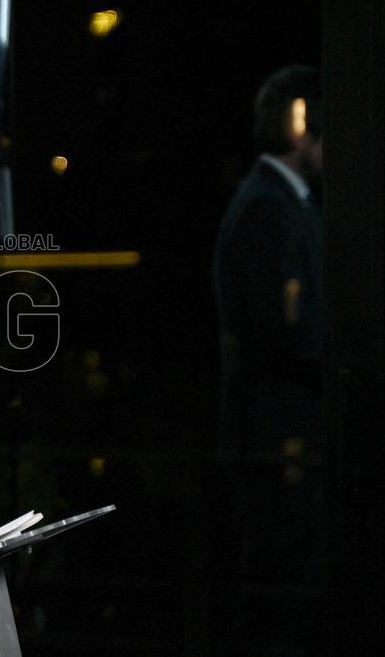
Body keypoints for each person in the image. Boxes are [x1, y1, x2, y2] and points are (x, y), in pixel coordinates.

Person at [213, 64, 326, 650]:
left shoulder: (274, 204)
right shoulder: (270, 208)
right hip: (276, 434)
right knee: (280, 588)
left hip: (276, 430)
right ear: (301, 127)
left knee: (282, 583)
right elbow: (289, 332)